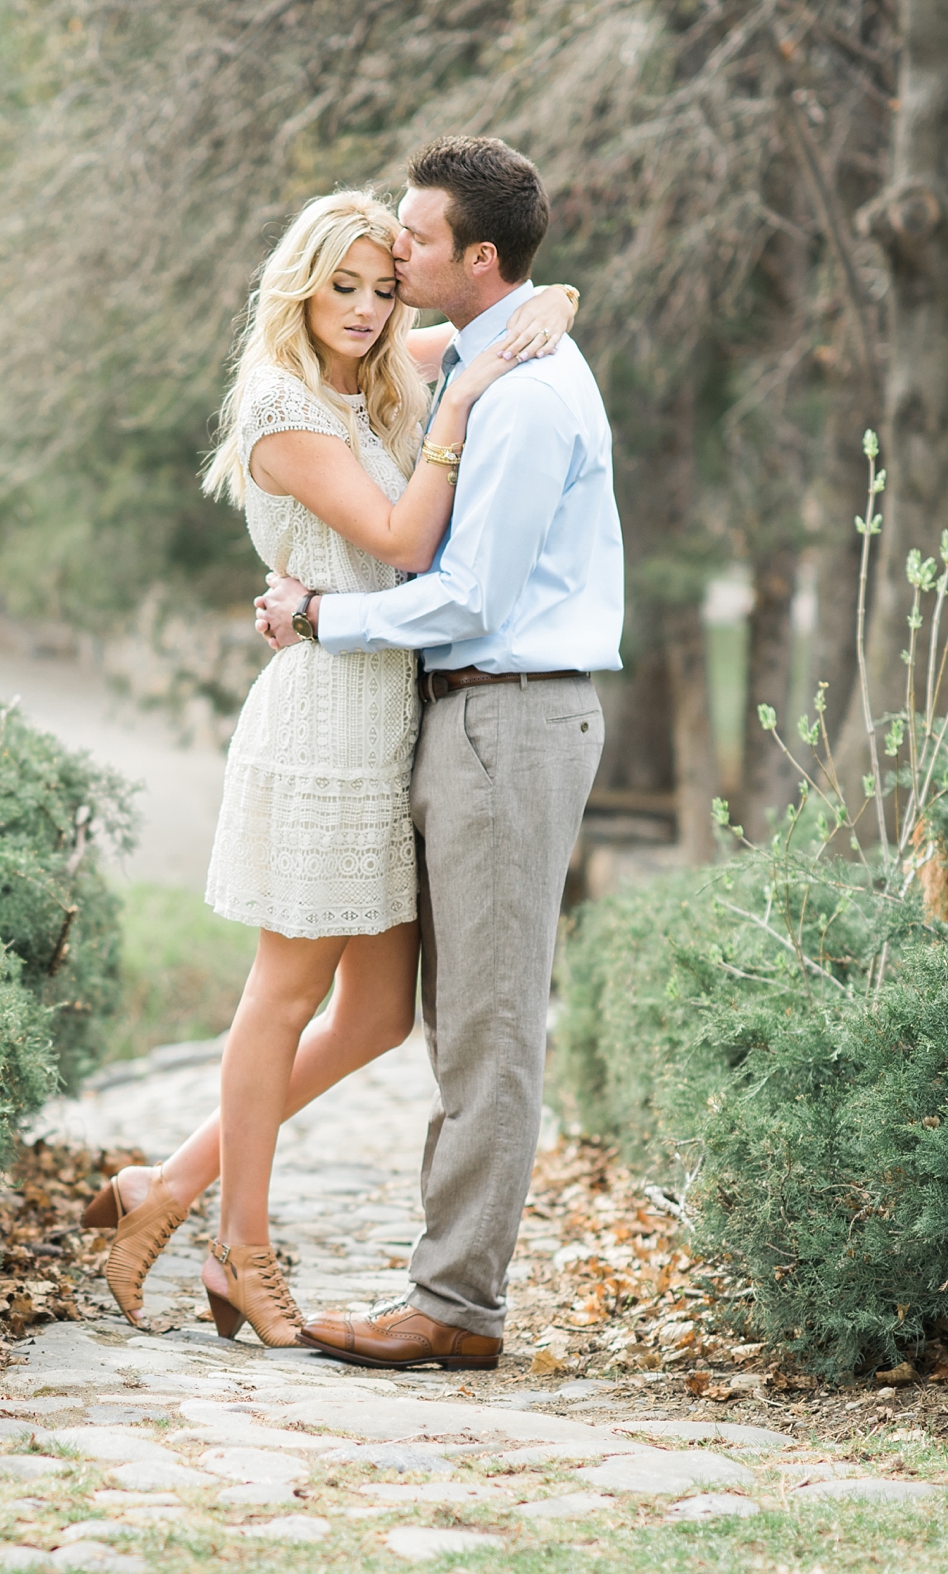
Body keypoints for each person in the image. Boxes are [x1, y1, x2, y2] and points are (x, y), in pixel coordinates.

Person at [81, 184, 583, 1347]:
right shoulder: (283, 405)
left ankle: (165, 1185)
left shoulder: (373, 369)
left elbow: (502, 307)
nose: (362, 309)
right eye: (338, 287)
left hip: (391, 715)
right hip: (322, 722)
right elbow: (405, 541)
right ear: (297, 287)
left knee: (374, 1018)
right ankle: (236, 1246)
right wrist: (465, 402)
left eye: (377, 283)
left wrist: (550, 299)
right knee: (284, 993)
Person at [257, 136, 622, 1368]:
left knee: (489, 1026)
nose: (392, 257)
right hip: (464, 718)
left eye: (412, 241)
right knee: (453, 1017)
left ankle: (454, 1308)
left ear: (476, 258)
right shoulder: (484, 352)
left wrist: (322, 618)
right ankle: (439, 1286)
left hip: (507, 717)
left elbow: (467, 594)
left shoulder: (519, 396)